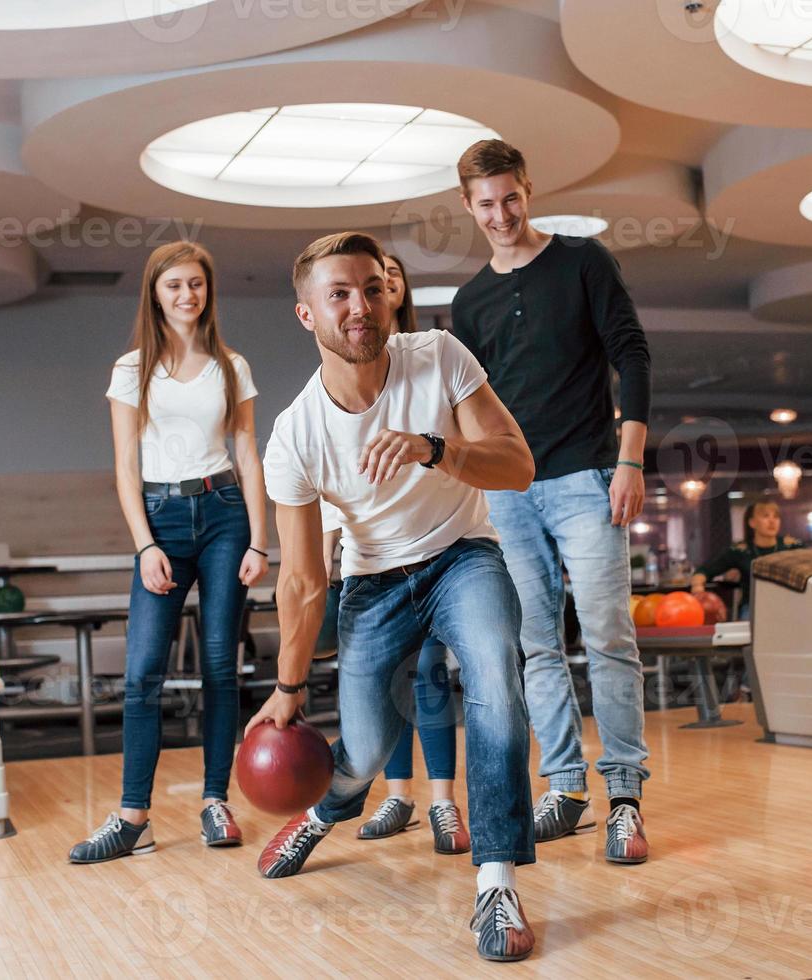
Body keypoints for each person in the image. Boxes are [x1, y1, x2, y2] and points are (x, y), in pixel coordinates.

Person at [249, 231, 538, 963]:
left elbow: (518, 466)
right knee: (368, 748)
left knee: (496, 682)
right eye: (339, 293)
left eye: (373, 288)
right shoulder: (294, 436)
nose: (360, 306)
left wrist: (434, 447)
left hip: (463, 556)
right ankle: (325, 812)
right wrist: (287, 687)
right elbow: (304, 579)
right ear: (306, 314)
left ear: (393, 294)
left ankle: (497, 881)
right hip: (373, 582)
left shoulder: (439, 357)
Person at [450, 139, 651, 865]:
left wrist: (630, 458)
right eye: (486, 204)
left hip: (587, 478)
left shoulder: (583, 261)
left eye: (510, 198)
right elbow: (470, 407)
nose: (501, 215)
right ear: (467, 208)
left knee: (606, 634)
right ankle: (563, 788)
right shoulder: (468, 304)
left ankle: (624, 797)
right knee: (535, 645)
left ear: (528, 191)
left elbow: (631, 353)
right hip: (508, 492)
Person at [70, 241, 268, 864]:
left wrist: (261, 538)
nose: (187, 296)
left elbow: (247, 452)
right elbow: (125, 465)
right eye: (174, 285)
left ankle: (215, 800)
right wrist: (145, 544)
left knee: (218, 665)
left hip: (224, 516)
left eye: (197, 285)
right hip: (160, 518)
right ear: (154, 293)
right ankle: (134, 818)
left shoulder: (232, 366)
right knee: (142, 674)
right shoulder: (132, 370)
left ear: (209, 292)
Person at [352, 253, 468, 855]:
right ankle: (399, 796)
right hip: (377, 553)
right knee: (390, 677)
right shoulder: (347, 372)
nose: (379, 291)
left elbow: (468, 448)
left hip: (439, 544)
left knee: (425, 672)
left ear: (397, 293)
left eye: (388, 281)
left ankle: (444, 801)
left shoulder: (434, 361)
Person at [690, 499, 804, 610]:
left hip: (787, 606)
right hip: (752, 607)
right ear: (752, 522)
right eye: (766, 516)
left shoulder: (792, 546)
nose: (772, 521)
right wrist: (698, 587)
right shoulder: (740, 550)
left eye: (776, 517)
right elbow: (704, 571)